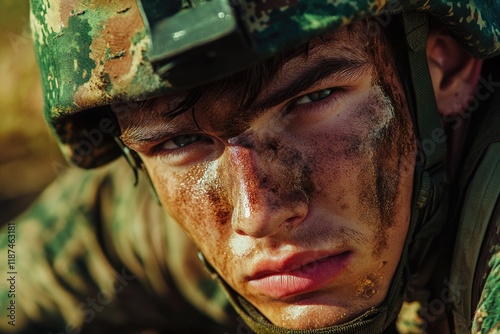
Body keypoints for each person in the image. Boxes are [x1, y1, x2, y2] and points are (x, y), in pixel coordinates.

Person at [0, 0, 498, 333]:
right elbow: (18, 277)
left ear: (443, 67)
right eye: (181, 140)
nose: (257, 213)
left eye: (312, 99)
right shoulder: (182, 204)